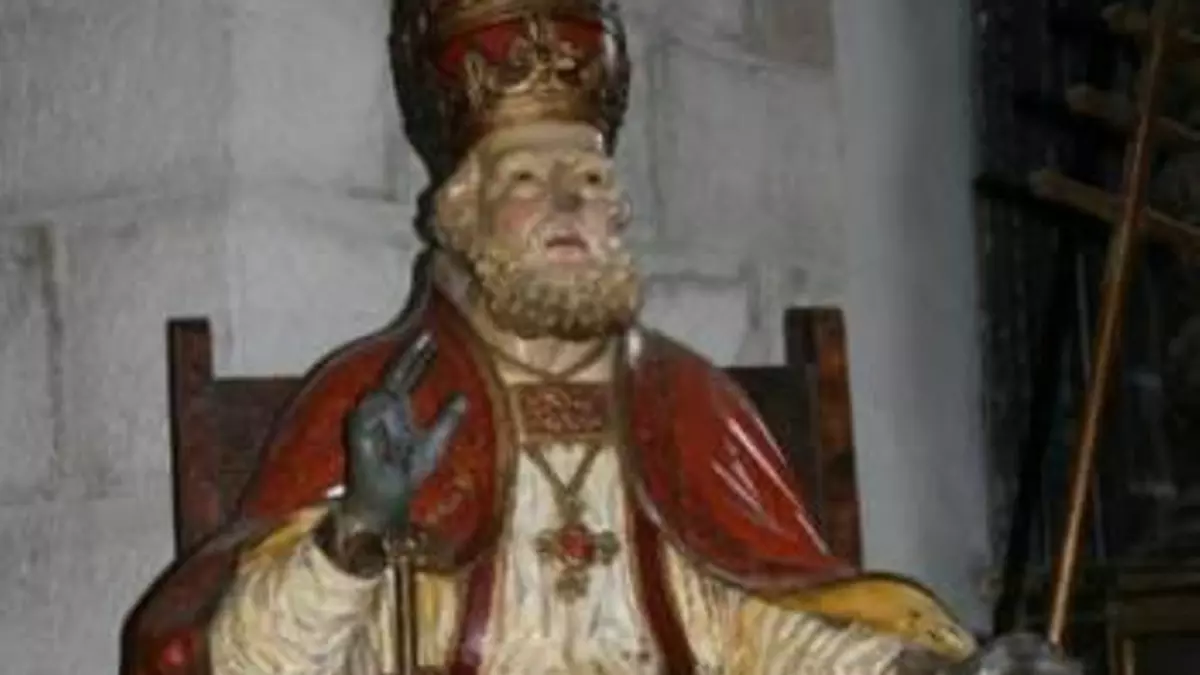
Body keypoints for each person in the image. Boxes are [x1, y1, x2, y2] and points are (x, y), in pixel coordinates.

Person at [126, 1, 1080, 673]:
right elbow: (242, 663)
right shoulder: (380, 400)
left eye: (587, 182)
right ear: (462, 215)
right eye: (526, 182)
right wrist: (357, 531)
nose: (567, 207)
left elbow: (763, 631)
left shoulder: (685, 403)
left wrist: (933, 671)